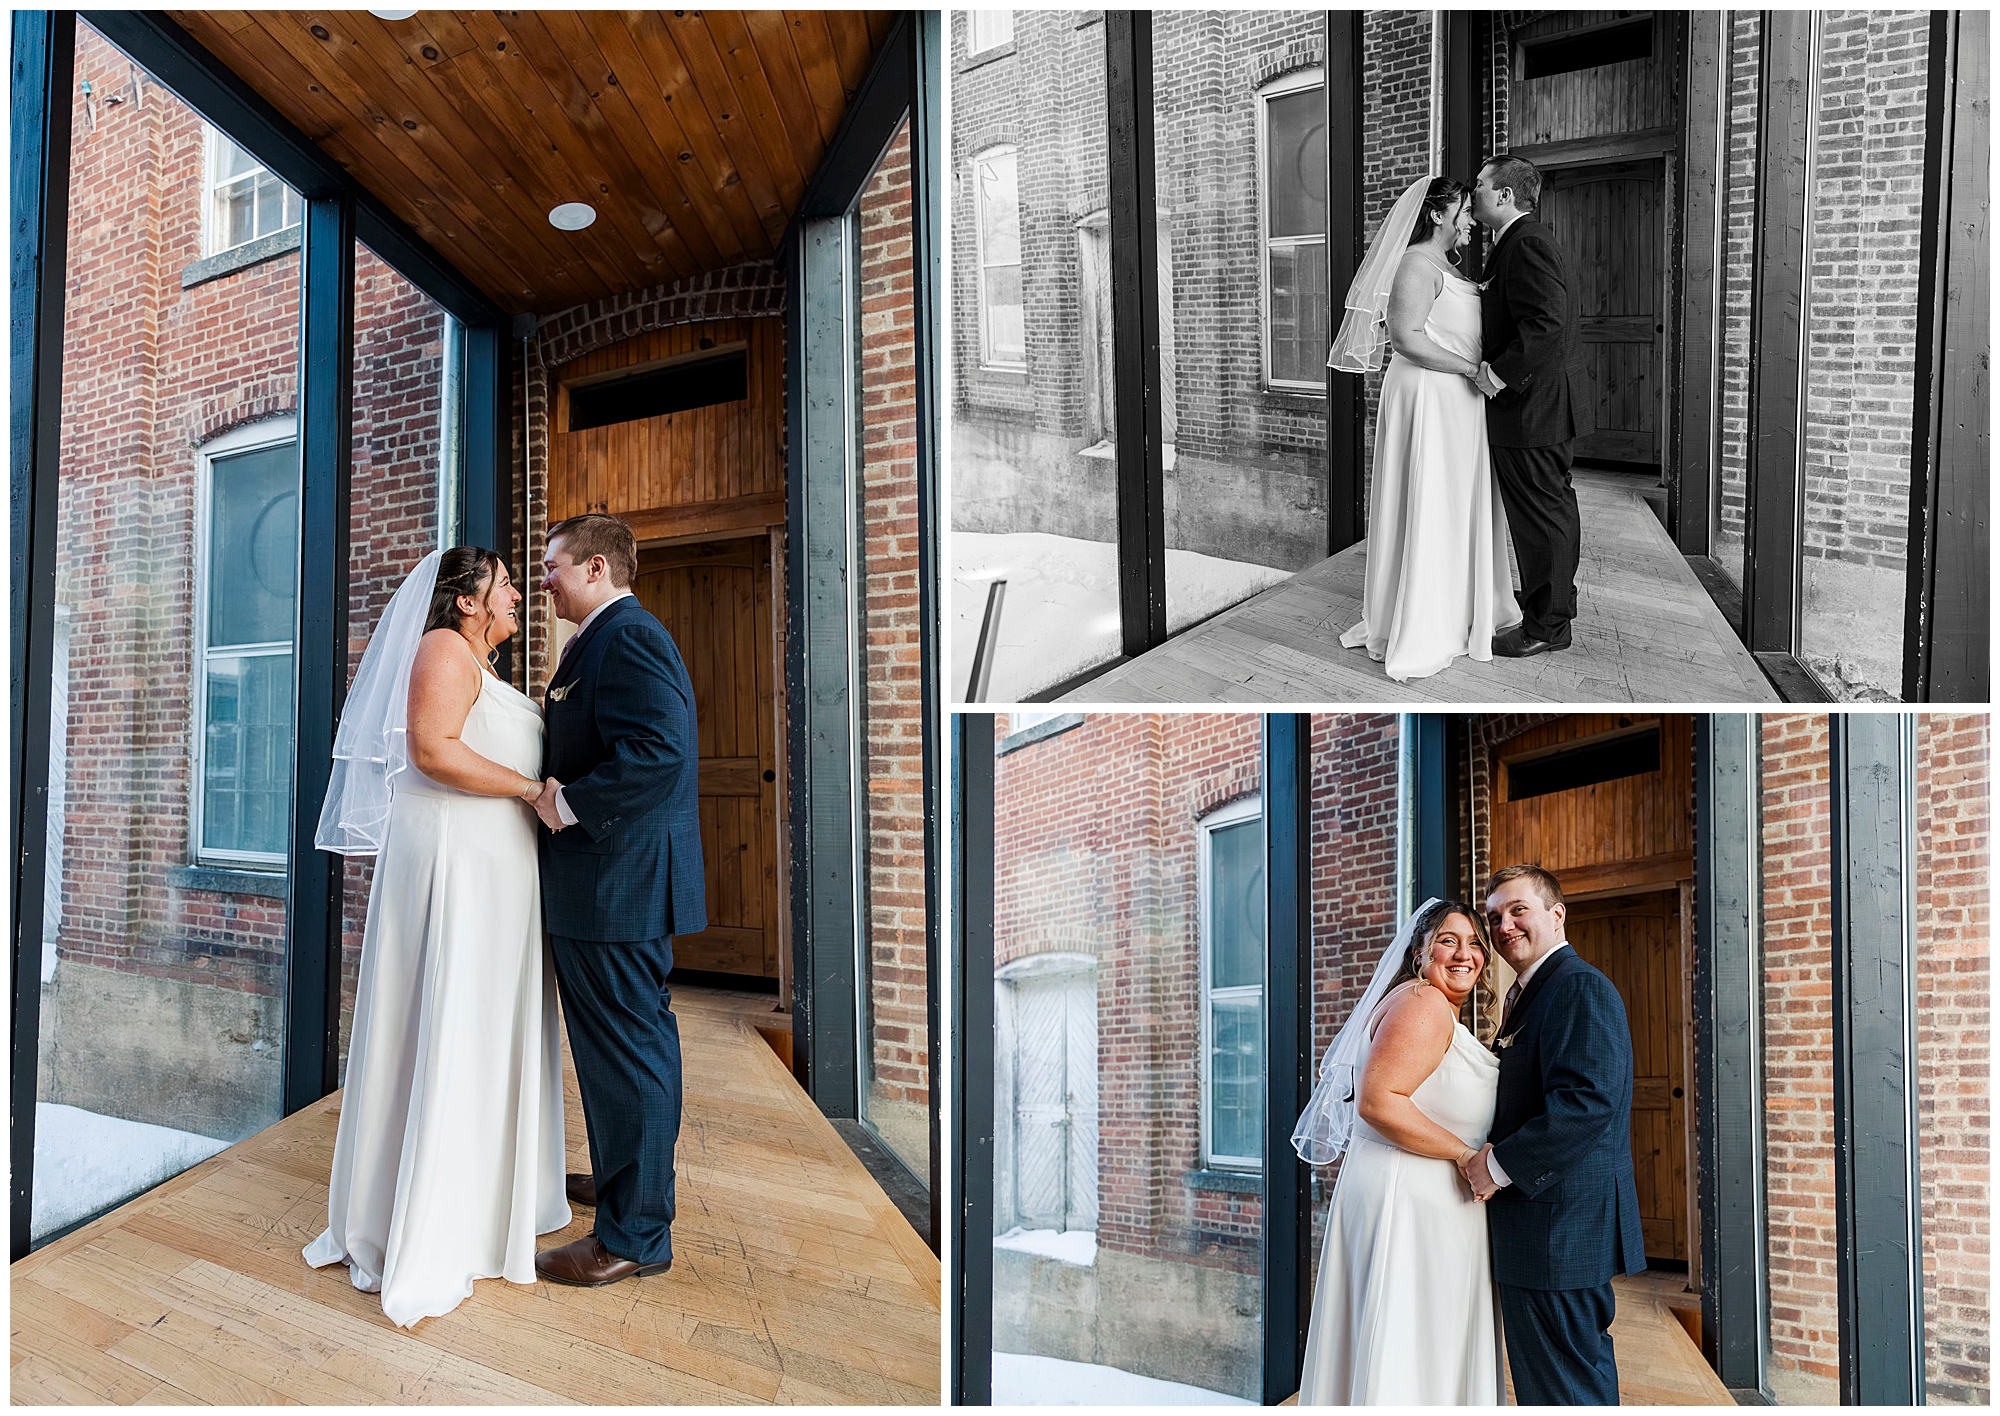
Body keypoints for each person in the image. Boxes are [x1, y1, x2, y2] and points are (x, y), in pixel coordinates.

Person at [304, 546, 570, 1327]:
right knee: (449, 1025)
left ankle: (484, 1199)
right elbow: (432, 750)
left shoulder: (474, 658)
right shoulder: (442, 649)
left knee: (480, 1030)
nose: (519, 594)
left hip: (492, 875)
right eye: (505, 586)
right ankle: (431, 1217)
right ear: (465, 602)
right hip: (455, 869)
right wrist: (530, 788)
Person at [529, 512, 706, 1289]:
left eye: (554, 567)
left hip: (617, 886)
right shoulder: (599, 639)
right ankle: (623, 1183)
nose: (544, 582)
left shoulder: (627, 636)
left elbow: (659, 753)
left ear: (596, 568)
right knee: (620, 1053)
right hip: (608, 885)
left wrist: (567, 807)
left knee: (628, 1053)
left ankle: (633, 1235)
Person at [1294, 899, 1505, 1404]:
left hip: (1406, 1191)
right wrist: (1462, 1155)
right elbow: (1377, 1102)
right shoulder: (1425, 1004)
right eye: (1448, 941)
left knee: (1403, 1335)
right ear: (1420, 952)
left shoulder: (1420, 1002)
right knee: (1410, 1340)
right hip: (1409, 1197)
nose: (1464, 954)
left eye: (1475, 943)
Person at [1463, 864, 1645, 1404]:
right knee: (1551, 1389)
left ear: (1556, 913)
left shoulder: (1578, 987)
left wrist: (1495, 1166)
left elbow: (1586, 1103)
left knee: (1567, 1392)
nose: (1504, 926)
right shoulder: (1531, 991)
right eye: (1495, 917)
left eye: (1518, 910)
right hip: (1542, 1231)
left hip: (1558, 1232)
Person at [1331, 175, 1522, 682]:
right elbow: (1407, 337)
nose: (1469, 223)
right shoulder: (1415, 263)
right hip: (1429, 396)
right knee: (1429, 500)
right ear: (1438, 215)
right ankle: (1423, 621)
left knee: (1456, 502)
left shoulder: (1448, 265)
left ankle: (1460, 607)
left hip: (1459, 401)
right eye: (1462, 213)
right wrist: (1469, 370)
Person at [1468, 155, 1593, 658]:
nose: (1473, 193)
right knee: (1552, 508)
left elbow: (1546, 324)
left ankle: (1547, 626)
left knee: (1541, 516)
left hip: (1532, 406)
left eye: (1480, 185)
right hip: (1539, 405)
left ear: (1504, 195)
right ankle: (1556, 597)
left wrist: (1495, 375)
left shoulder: (1529, 242)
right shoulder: (1515, 242)